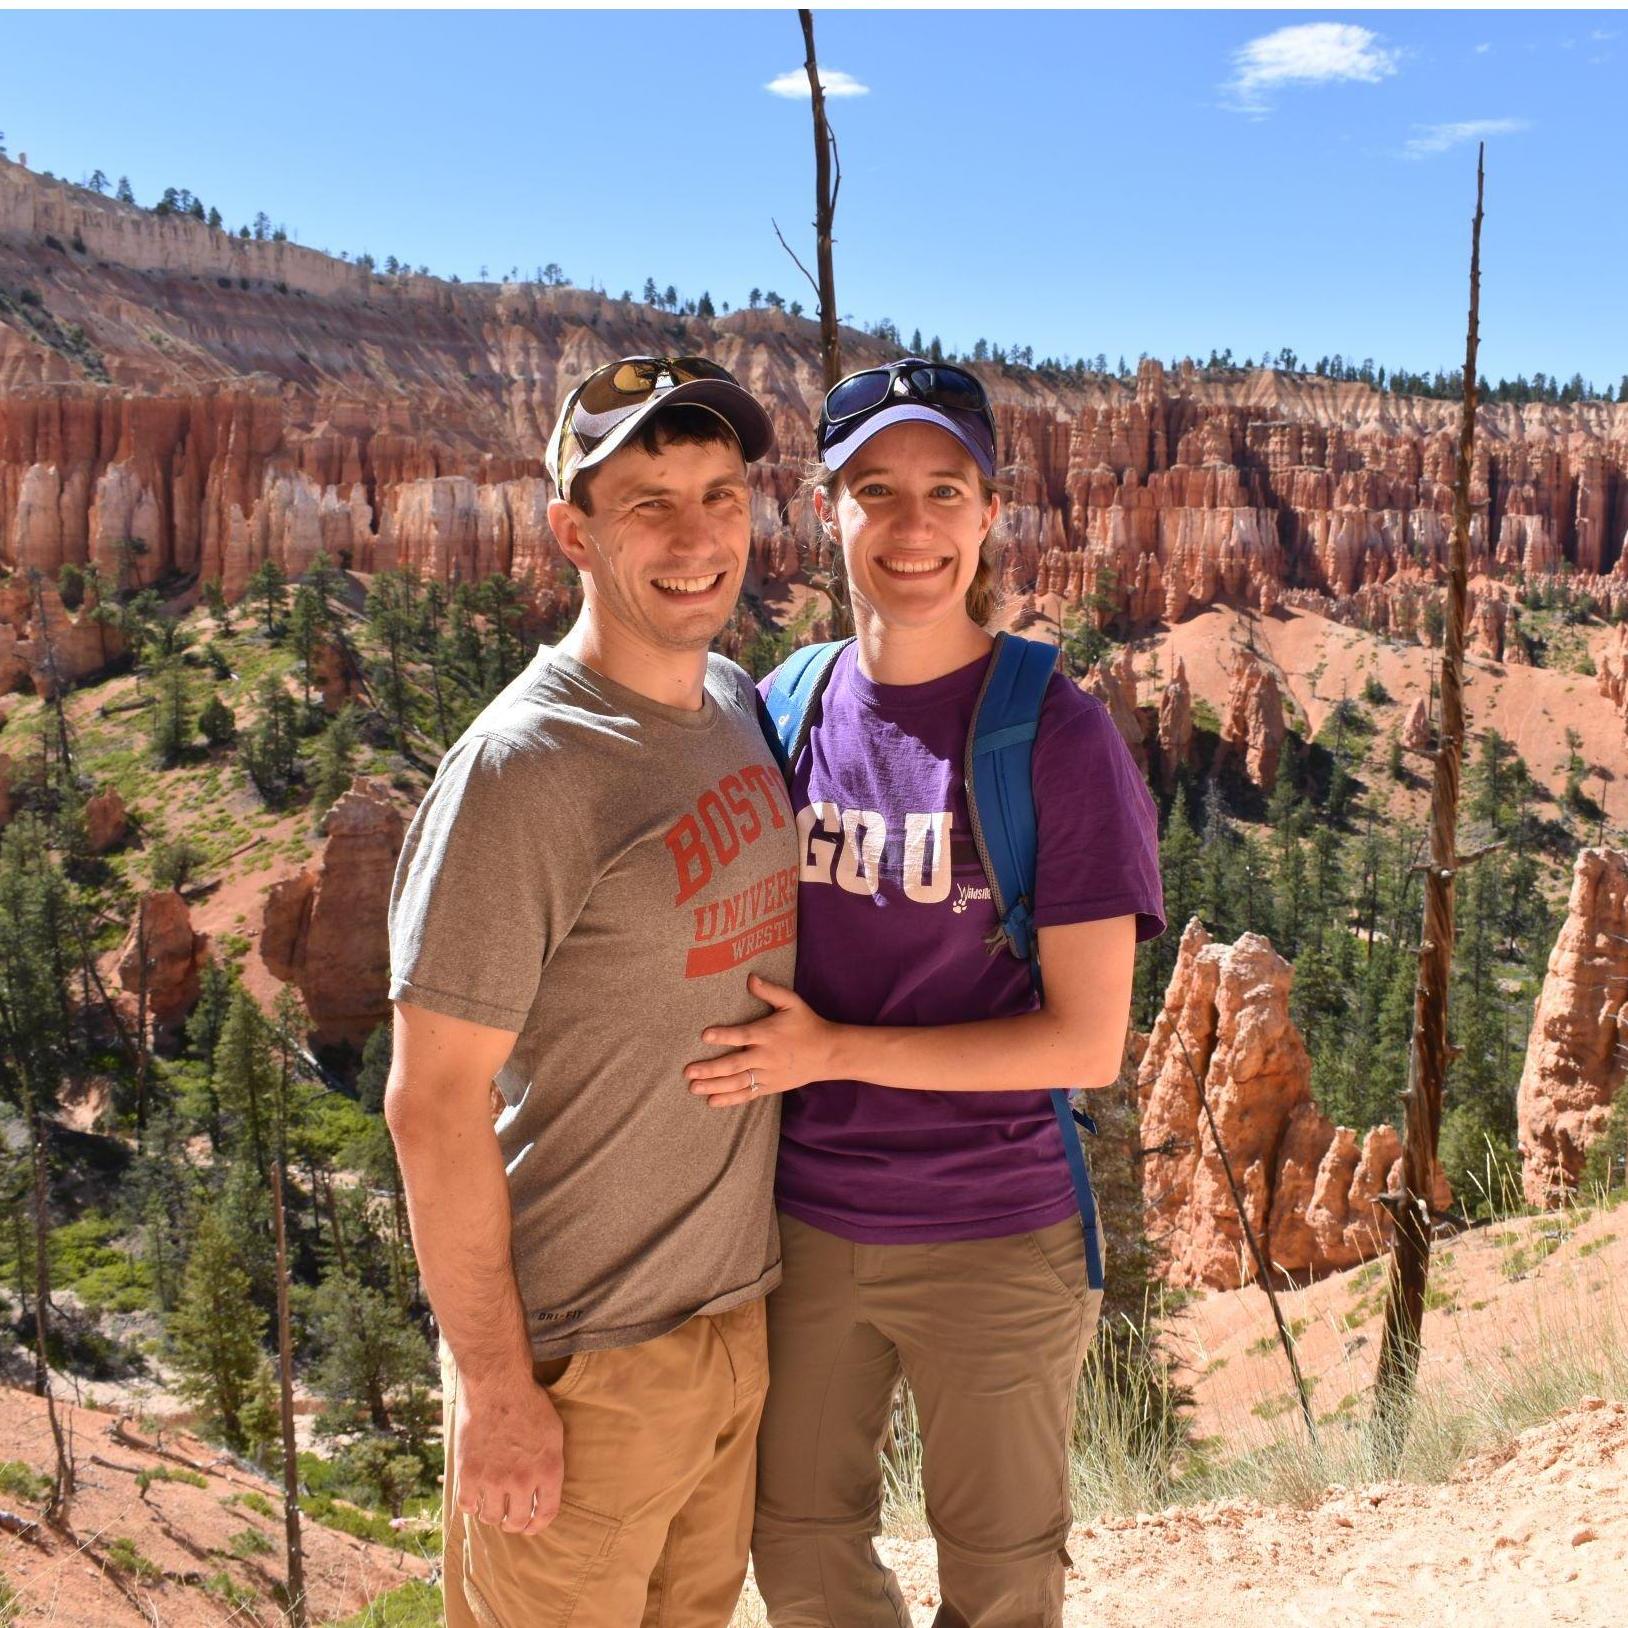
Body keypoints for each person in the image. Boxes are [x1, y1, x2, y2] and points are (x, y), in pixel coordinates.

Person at [683, 358, 1167, 1626]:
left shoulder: (1053, 736)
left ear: (988, 511)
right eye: (875, 490)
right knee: (795, 1550)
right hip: (797, 1223)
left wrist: (833, 1052)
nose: (911, 528)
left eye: (943, 491)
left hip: (995, 1224)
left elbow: (1087, 1038)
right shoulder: (781, 707)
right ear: (822, 506)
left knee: (1003, 1578)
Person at [385, 355, 798, 1627]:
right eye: (646, 505)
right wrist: (501, 1392)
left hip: (727, 1330)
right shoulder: (523, 769)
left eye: (720, 496)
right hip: (580, 1366)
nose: (695, 539)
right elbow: (431, 1103)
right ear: (571, 530)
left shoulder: (730, 700)